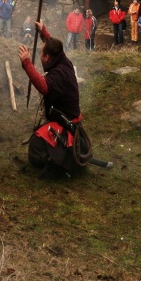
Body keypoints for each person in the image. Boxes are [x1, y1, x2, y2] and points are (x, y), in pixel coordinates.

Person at [18, 21, 88, 178]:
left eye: (42, 54)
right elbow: (53, 47)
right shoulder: (62, 60)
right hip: (63, 120)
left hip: (66, 125)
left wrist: (27, 63)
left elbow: (44, 87)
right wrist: (43, 31)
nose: (40, 56)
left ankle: (59, 163)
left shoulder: (59, 74)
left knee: (36, 148)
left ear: (47, 57)